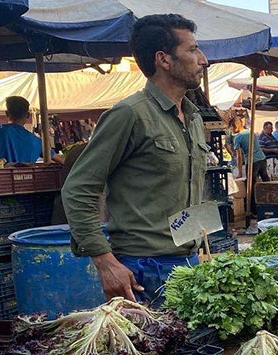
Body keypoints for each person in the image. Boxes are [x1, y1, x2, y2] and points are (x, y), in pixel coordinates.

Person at [62, 14, 209, 305]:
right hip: (144, 270)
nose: (203, 59)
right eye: (192, 50)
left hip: (188, 262)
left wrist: (201, 250)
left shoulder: (192, 117)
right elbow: (78, 188)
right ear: (163, 59)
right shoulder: (129, 114)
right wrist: (104, 261)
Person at [0, 96, 62, 163]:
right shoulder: (38, 142)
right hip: (28, 178)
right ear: (28, 115)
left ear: (7, 113)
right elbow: (60, 159)